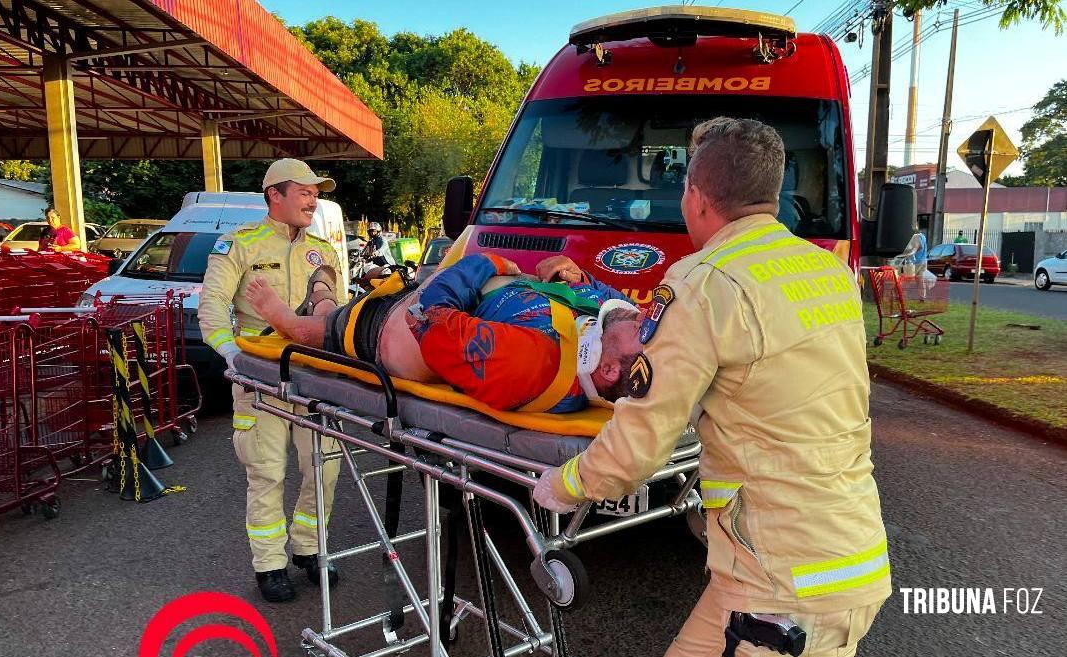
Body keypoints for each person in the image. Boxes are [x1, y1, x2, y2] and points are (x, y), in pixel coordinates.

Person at [533, 117, 890, 657]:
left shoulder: (706, 283)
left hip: (781, 587)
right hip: (849, 554)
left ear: (696, 197)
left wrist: (564, 486)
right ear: (772, 196)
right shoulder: (829, 273)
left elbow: (639, 444)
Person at [198, 158, 346, 603]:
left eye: (315, 192)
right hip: (258, 380)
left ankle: (309, 549)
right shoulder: (239, 245)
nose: (313, 198)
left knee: (324, 466)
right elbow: (212, 306)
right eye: (303, 191)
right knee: (265, 474)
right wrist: (234, 358)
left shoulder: (323, 249)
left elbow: (334, 316)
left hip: (313, 377)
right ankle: (270, 564)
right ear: (274, 196)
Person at [244, 253, 644, 412]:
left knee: (348, 327)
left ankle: (299, 321)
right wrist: (578, 276)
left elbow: (427, 317)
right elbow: (614, 300)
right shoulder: (604, 331)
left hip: (401, 329)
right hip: (469, 296)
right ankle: (323, 297)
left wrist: (483, 264)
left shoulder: (532, 363)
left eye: (645, 332)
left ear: (608, 370)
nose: (645, 319)